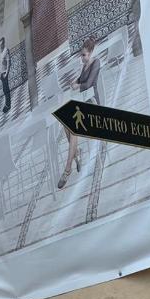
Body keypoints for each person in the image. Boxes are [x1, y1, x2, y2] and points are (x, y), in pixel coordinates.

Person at [59, 37, 101, 189]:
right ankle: (76, 153)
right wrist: (75, 82)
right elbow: (81, 79)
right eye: (81, 55)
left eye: (84, 55)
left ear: (90, 52)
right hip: (83, 105)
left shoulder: (96, 63)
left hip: (93, 106)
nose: (82, 58)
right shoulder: (85, 66)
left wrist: (78, 86)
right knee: (66, 123)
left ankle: (68, 168)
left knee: (72, 127)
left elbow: (88, 84)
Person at [0, 37, 12, 114]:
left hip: (4, 74)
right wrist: (0, 74)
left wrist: (6, 74)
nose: (0, 46)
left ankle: (8, 105)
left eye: (1, 44)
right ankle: (7, 104)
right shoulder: (1, 52)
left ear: (3, 43)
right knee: (4, 90)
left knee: (6, 90)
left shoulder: (6, 51)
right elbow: (1, 64)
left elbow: (8, 63)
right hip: (2, 74)